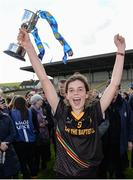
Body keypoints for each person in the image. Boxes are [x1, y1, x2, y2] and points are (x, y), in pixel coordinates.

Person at [17, 28, 126, 178]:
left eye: (80, 89)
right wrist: (28, 46)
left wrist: (120, 52)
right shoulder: (60, 110)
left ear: (86, 94)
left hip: (90, 173)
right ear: (66, 95)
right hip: (63, 174)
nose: (76, 93)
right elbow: (43, 77)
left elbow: (114, 84)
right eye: (72, 90)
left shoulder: (95, 111)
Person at [98, 86, 133, 179]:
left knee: (119, 169)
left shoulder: (124, 104)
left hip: (119, 143)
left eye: (116, 89)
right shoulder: (101, 104)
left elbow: (130, 122)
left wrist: (130, 140)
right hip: (104, 144)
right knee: (103, 168)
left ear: (119, 90)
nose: (113, 92)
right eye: (111, 89)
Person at [0, 104, 20, 179]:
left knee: (13, 172)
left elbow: (13, 133)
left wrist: (4, 144)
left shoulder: (6, 117)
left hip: (9, 150)